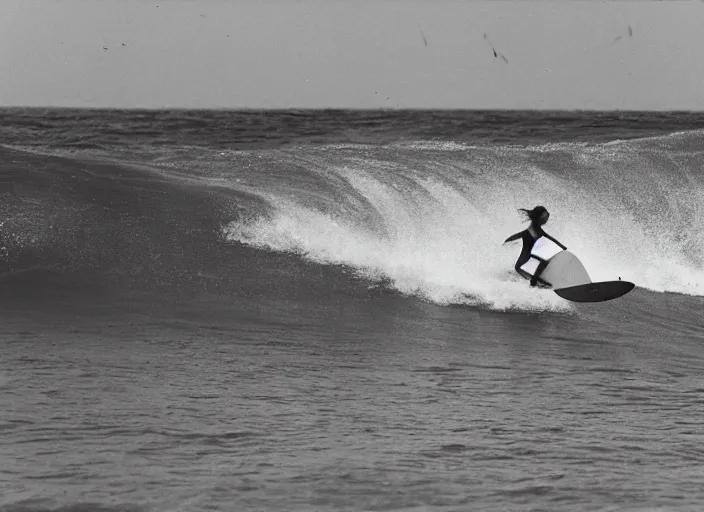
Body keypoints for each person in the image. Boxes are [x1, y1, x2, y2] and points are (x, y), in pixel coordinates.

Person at [503, 206, 566, 286]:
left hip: (530, 255)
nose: (546, 220)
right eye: (545, 217)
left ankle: (537, 282)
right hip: (527, 255)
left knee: (540, 263)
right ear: (539, 218)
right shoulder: (534, 230)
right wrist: (509, 240)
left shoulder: (536, 229)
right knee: (542, 262)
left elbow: (548, 237)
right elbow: (522, 234)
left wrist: (561, 246)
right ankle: (535, 283)